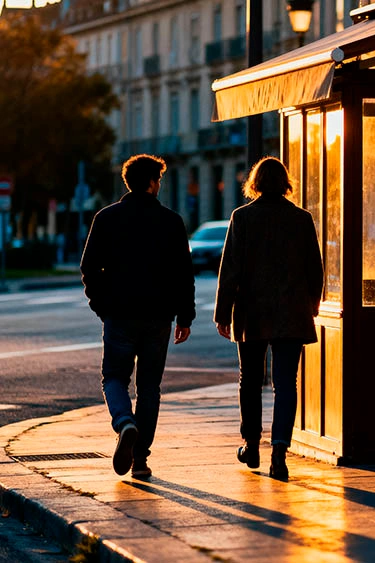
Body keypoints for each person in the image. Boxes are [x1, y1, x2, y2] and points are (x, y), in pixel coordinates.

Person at [80, 154, 195, 479]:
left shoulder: (106, 217)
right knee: (149, 387)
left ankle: (124, 422)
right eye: (159, 179)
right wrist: (185, 317)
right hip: (158, 316)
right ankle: (140, 459)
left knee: (114, 377)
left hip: (119, 314)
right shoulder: (171, 221)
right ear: (153, 183)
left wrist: (101, 305)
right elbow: (183, 275)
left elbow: (89, 267)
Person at [214, 156, 323, 480]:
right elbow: (315, 269)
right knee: (286, 383)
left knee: (250, 380)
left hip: (252, 313)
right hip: (292, 312)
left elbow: (230, 270)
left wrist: (223, 313)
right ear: (285, 183)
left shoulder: (242, 217)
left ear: (255, 183)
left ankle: (251, 445)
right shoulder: (301, 218)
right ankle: (279, 451)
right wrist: (311, 305)